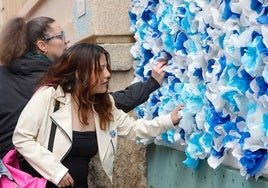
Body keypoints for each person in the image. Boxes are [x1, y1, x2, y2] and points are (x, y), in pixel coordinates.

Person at [12, 42, 183, 188]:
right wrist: (56, 172)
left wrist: (169, 120)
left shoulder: (103, 103)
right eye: (100, 69)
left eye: (106, 67)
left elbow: (133, 129)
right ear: (79, 73)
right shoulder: (50, 96)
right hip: (43, 183)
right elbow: (22, 137)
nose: (108, 74)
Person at [0, 16, 167, 159]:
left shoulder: (4, 74)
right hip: (40, 172)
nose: (67, 41)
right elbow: (107, 102)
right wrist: (150, 84)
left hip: (8, 171)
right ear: (42, 46)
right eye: (61, 35)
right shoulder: (56, 81)